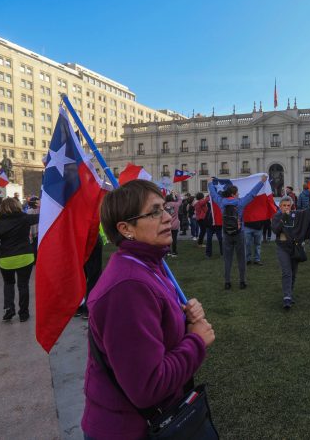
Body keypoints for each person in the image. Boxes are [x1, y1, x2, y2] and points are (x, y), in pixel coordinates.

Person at [82, 180, 214, 439]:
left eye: (165, 208)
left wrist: (182, 315)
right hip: (128, 429)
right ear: (126, 228)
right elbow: (148, 387)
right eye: (154, 212)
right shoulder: (127, 287)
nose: (167, 217)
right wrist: (197, 340)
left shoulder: (147, 264)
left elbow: (155, 329)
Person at [0, 198, 40, 322]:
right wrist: (41, 205)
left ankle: (9, 308)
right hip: (25, 256)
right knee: (23, 285)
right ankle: (24, 313)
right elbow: (42, 216)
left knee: (8, 284)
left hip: (6, 258)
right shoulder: (25, 218)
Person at [208, 175, 266, 289]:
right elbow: (252, 194)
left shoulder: (221, 202)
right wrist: (261, 182)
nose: (239, 194)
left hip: (226, 233)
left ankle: (227, 282)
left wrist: (210, 183)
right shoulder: (240, 203)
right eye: (237, 192)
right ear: (234, 194)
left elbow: (213, 194)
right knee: (241, 259)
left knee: (227, 259)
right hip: (239, 233)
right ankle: (242, 281)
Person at [271, 196, 310, 309]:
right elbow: (275, 230)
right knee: (286, 272)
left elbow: (306, 214)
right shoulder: (277, 216)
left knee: (293, 272)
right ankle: (287, 297)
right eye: (284, 205)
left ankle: (290, 293)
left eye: (288, 205)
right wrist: (284, 216)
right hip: (282, 248)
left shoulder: (295, 215)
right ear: (280, 206)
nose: (286, 207)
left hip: (295, 248)